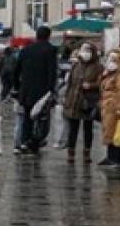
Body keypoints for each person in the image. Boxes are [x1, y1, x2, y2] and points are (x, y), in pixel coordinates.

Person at [15, 26, 59, 154]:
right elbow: (52, 72)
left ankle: (25, 141)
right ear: (49, 36)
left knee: (27, 116)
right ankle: (35, 141)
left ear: (36, 35)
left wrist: (17, 87)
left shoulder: (25, 50)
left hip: (27, 90)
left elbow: (16, 70)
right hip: (43, 91)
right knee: (42, 118)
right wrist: (51, 90)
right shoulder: (51, 50)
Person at [62, 42, 104, 163]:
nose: (85, 53)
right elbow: (70, 83)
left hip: (89, 101)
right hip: (74, 100)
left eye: (88, 51)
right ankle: (71, 153)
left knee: (88, 128)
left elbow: (101, 83)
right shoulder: (76, 65)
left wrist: (90, 85)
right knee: (73, 128)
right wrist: (66, 98)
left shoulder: (98, 67)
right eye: (83, 50)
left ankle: (87, 153)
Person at [98, 47, 120, 167]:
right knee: (109, 131)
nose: (110, 62)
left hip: (115, 108)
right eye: (109, 59)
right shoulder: (111, 74)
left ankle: (116, 158)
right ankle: (110, 156)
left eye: (113, 60)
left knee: (117, 132)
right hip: (107, 108)